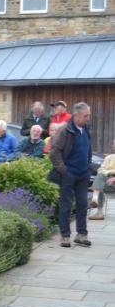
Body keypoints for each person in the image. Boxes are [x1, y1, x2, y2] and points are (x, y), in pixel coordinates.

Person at [49, 102, 93, 248]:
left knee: (82, 204)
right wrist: (64, 170)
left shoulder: (86, 129)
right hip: (69, 174)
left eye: (89, 115)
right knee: (66, 205)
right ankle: (65, 236)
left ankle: (81, 234)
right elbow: (54, 152)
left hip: (83, 174)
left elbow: (87, 149)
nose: (88, 118)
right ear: (77, 115)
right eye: (86, 115)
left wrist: (88, 166)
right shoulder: (65, 130)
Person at [91, 137, 114, 221]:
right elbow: (101, 169)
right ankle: (98, 210)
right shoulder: (109, 157)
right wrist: (108, 175)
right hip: (109, 182)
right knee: (99, 179)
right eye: (114, 144)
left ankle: (95, 196)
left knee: (99, 182)